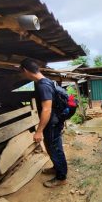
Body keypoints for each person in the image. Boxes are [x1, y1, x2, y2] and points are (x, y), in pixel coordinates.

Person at [20, 59, 67, 188]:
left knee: (55, 148)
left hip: (51, 123)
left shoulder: (42, 85)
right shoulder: (48, 81)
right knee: (53, 147)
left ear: (25, 70)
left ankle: (61, 177)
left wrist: (39, 130)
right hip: (55, 121)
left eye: (22, 73)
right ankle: (56, 168)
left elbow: (47, 109)